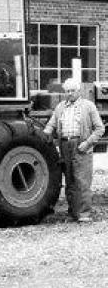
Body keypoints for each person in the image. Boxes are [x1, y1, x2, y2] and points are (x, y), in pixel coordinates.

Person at [44, 77, 104, 223]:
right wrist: (44, 134)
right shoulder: (60, 107)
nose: (69, 93)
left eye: (72, 91)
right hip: (65, 145)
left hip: (81, 145)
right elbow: (51, 125)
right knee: (70, 180)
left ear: (79, 91)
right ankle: (72, 212)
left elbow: (100, 129)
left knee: (82, 181)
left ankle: (84, 214)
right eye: (67, 91)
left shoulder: (88, 106)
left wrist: (88, 143)